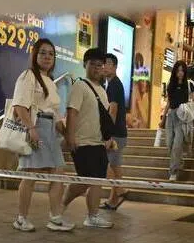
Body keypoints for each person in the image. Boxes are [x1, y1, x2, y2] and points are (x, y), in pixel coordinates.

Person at [11, 38, 74, 232]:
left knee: (58, 173)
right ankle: (21, 218)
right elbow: (19, 106)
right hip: (35, 127)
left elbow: (54, 111)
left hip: (50, 130)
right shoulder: (28, 76)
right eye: (43, 53)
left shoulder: (50, 81)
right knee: (30, 174)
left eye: (51, 54)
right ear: (35, 55)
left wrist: (66, 132)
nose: (47, 57)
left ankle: (55, 217)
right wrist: (31, 129)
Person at [62, 47, 113, 228]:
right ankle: (60, 206)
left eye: (100, 65)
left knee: (98, 179)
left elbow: (103, 118)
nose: (97, 68)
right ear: (86, 64)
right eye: (93, 64)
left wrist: (108, 138)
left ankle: (92, 216)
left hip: (98, 142)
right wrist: (70, 137)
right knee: (85, 180)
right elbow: (72, 112)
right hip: (82, 142)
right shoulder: (80, 86)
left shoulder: (103, 91)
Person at [102, 52, 128, 210]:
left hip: (115, 134)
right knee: (115, 166)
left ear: (115, 67)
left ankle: (121, 189)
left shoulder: (113, 85)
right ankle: (113, 200)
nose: (105, 66)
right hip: (119, 133)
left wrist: (108, 134)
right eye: (103, 63)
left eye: (109, 64)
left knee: (105, 164)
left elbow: (113, 110)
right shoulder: (113, 84)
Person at [165, 61, 194, 181]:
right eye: (178, 70)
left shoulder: (189, 84)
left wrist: (187, 109)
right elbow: (169, 101)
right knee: (169, 144)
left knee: (177, 145)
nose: (180, 73)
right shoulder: (171, 84)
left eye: (182, 70)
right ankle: (179, 162)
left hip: (182, 116)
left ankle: (173, 171)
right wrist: (163, 119)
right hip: (171, 115)